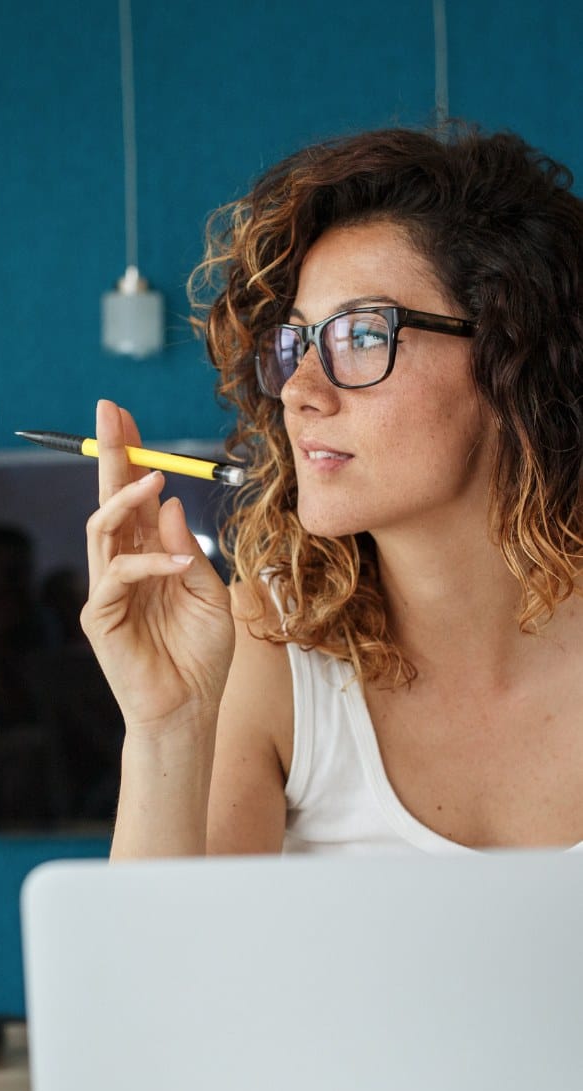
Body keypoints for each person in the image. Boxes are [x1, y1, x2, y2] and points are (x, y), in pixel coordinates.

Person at [80, 124, 583, 859]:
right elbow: (152, 975)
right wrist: (169, 726)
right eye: (297, 342)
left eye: (363, 335)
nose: (299, 391)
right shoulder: (270, 647)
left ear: (513, 358)